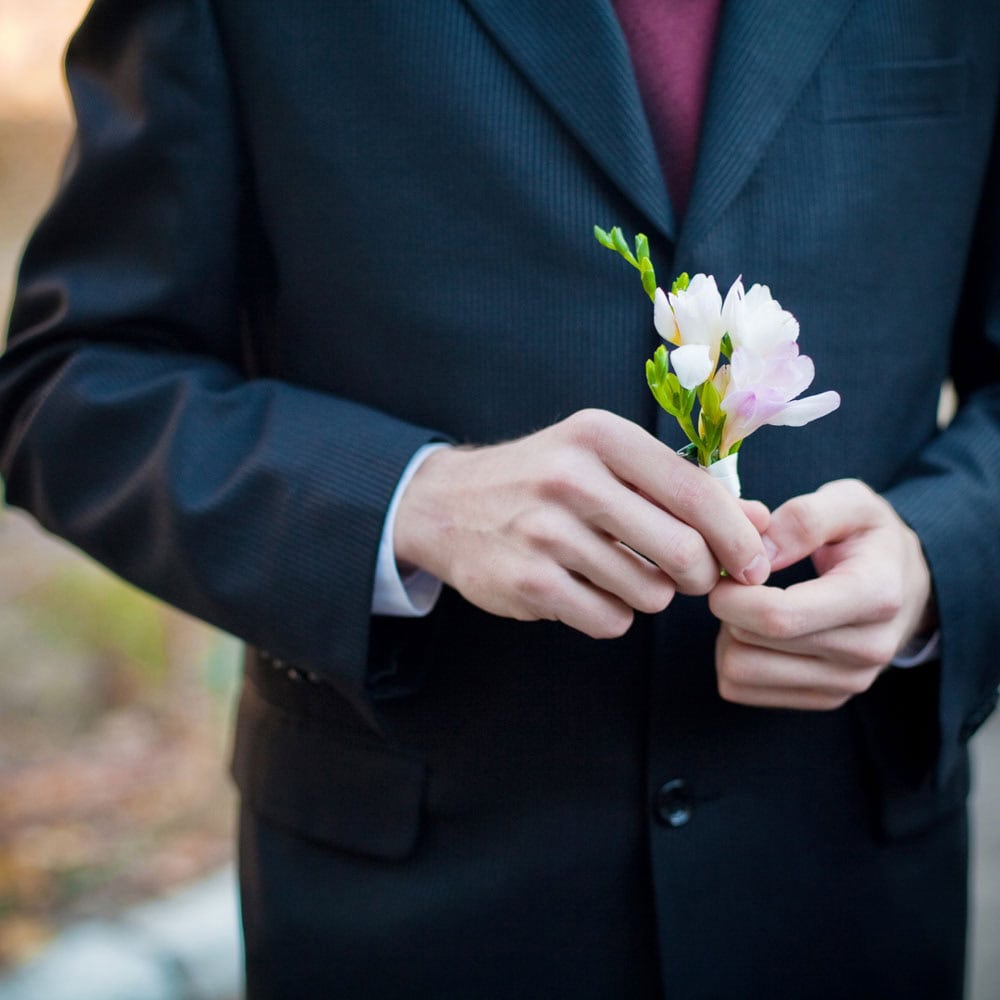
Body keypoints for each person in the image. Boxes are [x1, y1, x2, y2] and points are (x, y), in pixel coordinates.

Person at [1, 1, 998, 997]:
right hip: (413, 923)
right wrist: (408, 502)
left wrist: (936, 560)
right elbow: (72, 379)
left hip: (846, 904)